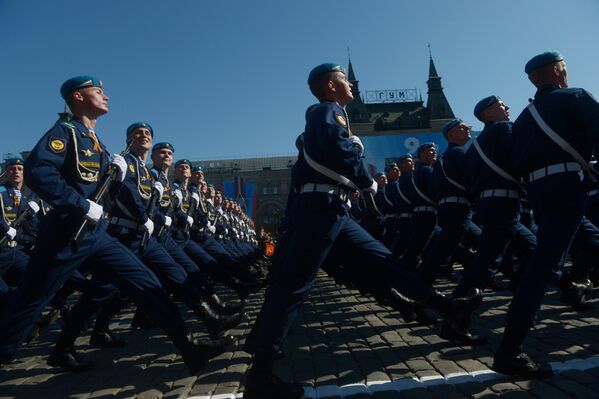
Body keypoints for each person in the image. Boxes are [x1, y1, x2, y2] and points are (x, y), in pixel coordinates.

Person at [242, 62, 481, 398]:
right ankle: (261, 375)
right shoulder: (327, 111)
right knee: (293, 286)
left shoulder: (332, 115)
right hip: (320, 212)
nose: (350, 86)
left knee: (383, 260)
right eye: (344, 81)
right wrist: (362, 174)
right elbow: (334, 148)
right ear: (330, 85)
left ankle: (445, 307)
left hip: (332, 211)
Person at [0, 76, 219, 374]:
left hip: (98, 233)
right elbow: (39, 171)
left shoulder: (95, 142)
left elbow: (109, 191)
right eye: (98, 91)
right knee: (29, 302)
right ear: (78, 97)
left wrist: (114, 172)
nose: (106, 96)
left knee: (146, 282)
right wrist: (79, 203)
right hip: (67, 232)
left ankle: (188, 346)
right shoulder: (66, 132)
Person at [496, 51, 599, 378]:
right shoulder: (575, 96)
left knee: (590, 241)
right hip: (569, 186)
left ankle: (573, 285)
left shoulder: (523, 118)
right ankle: (510, 350)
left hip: (541, 194)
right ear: (557, 72)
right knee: (544, 267)